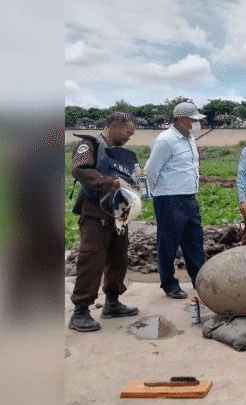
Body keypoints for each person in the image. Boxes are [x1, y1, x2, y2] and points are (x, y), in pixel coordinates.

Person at [68, 111, 141, 332]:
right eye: (128, 132)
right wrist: (112, 182)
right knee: (92, 259)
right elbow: (79, 170)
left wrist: (138, 181)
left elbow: (134, 177)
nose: (129, 137)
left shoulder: (124, 154)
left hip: (120, 212)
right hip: (95, 211)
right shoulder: (89, 144)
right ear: (114, 125)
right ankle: (80, 311)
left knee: (119, 258)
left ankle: (112, 303)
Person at [145, 102, 206, 299]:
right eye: (194, 120)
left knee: (194, 241)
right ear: (182, 120)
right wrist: (158, 193)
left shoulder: (189, 138)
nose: (197, 124)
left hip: (189, 198)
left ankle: (199, 280)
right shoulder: (166, 140)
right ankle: (169, 284)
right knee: (168, 243)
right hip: (169, 199)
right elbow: (151, 170)